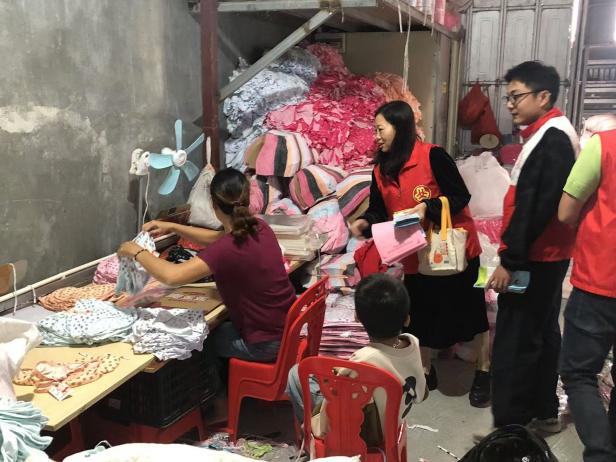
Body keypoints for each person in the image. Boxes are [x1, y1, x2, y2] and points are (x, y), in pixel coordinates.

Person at [349, 100, 491, 408]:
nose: (376, 136)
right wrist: (365, 221)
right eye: (375, 130)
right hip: (415, 256)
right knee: (421, 318)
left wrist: (428, 206)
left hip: (455, 253)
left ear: (400, 128)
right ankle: (425, 370)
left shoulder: (432, 156)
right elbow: (378, 210)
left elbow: (460, 196)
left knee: (472, 315)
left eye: (380, 129)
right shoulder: (380, 170)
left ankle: (484, 371)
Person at [117, 168, 296, 364]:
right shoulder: (260, 227)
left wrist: (136, 251)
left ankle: (210, 381)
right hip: (288, 329)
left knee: (199, 340)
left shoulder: (227, 248)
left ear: (214, 205)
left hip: (266, 344)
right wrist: (173, 227)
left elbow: (172, 276)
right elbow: (217, 238)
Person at [486, 61, 579, 433]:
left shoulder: (552, 139)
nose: (510, 104)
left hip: (535, 259)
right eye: (507, 97)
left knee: (516, 340)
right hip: (545, 257)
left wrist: (510, 261)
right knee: (541, 332)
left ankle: (513, 427)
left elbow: (535, 208)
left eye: (516, 96)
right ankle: (543, 411)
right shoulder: (547, 133)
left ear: (543, 97)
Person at [286, 273, 426, 441]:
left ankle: (310, 438)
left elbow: (337, 406)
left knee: (296, 373)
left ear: (357, 318)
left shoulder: (362, 362)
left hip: (367, 434)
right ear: (407, 319)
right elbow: (421, 393)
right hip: (394, 421)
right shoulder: (412, 343)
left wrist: (315, 425)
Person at [558, 127, 616, 462]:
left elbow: (566, 212)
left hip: (601, 281)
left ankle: (601, 455)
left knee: (579, 374)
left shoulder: (604, 145)